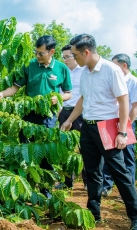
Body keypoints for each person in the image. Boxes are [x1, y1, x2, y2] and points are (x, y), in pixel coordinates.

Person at [60, 34, 137, 229]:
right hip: (88, 128)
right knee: (92, 173)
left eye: (75, 55)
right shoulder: (85, 73)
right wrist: (71, 120)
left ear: (86, 52)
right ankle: (93, 214)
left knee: (120, 173)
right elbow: (83, 100)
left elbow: (124, 101)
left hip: (107, 126)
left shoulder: (111, 70)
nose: (73, 58)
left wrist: (122, 133)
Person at [0, 35, 73, 198]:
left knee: (45, 154)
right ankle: (24, 190)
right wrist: (1, 94)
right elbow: (15, 88)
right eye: (36, 52)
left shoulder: (61, 69)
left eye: (41, 53)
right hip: (28, 116)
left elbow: (69, 93)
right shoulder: (29, 65)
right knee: (25, 151)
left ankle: (46, 191)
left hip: (48, 117)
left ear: (51, 52)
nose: (37, 56)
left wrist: (58, 98)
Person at [101, 54, 137, 199]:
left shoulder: (134, 82)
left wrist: (125, 128)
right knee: (109, 154)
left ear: (124, 65)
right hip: (110, 121)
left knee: (127, 158)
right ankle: (106, 186)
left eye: (115, 65)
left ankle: (128, 192)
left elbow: (135, 107)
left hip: (127, 124)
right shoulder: (113, 80)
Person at [55, 45, 85, 189]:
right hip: (65, 111)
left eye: (68, 56)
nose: (65, 60)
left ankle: (88, 181)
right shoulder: (62, 72)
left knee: (84, 146)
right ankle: (67, 182)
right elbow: (60, 92)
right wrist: (59, 109)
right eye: (63, 57)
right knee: (65, 148)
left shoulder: (84, 71)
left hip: (80, 113)